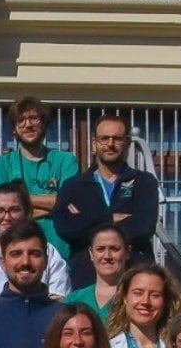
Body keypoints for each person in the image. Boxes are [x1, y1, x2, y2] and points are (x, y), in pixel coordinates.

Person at [53, 113, 161, 285]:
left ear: (126, 143)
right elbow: (65, 227)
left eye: (117, 139)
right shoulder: (73, 186)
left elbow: (143, 227)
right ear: (94, 143)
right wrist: (110, 218)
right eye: (104, 139)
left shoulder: (144, 181)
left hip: (135, 280)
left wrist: (86, 220)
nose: (110, 144)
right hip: (86, 280)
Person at [0, 96, 80, 262]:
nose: (28, 125)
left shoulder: (66, 160)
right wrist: (54, 206)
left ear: (44, 123)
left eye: (33, 118)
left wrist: (22, 203)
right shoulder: (1, 165)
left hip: (61, 255)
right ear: (14, 129)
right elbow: (2, 209)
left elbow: (70, 202)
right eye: (21, 120)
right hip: (18, 256)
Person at [0, 181, 69, 297]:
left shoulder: (48, 252)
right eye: (0, 210)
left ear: (27, 212)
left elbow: (59, 299)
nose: (7, 217)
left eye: (14, 210)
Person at [62, 224, 130, 313]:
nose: (107, 256)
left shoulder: (136, 299)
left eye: (115, 249)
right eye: (100, 249)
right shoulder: (74, 300)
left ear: (127, 252)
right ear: (91, 253)